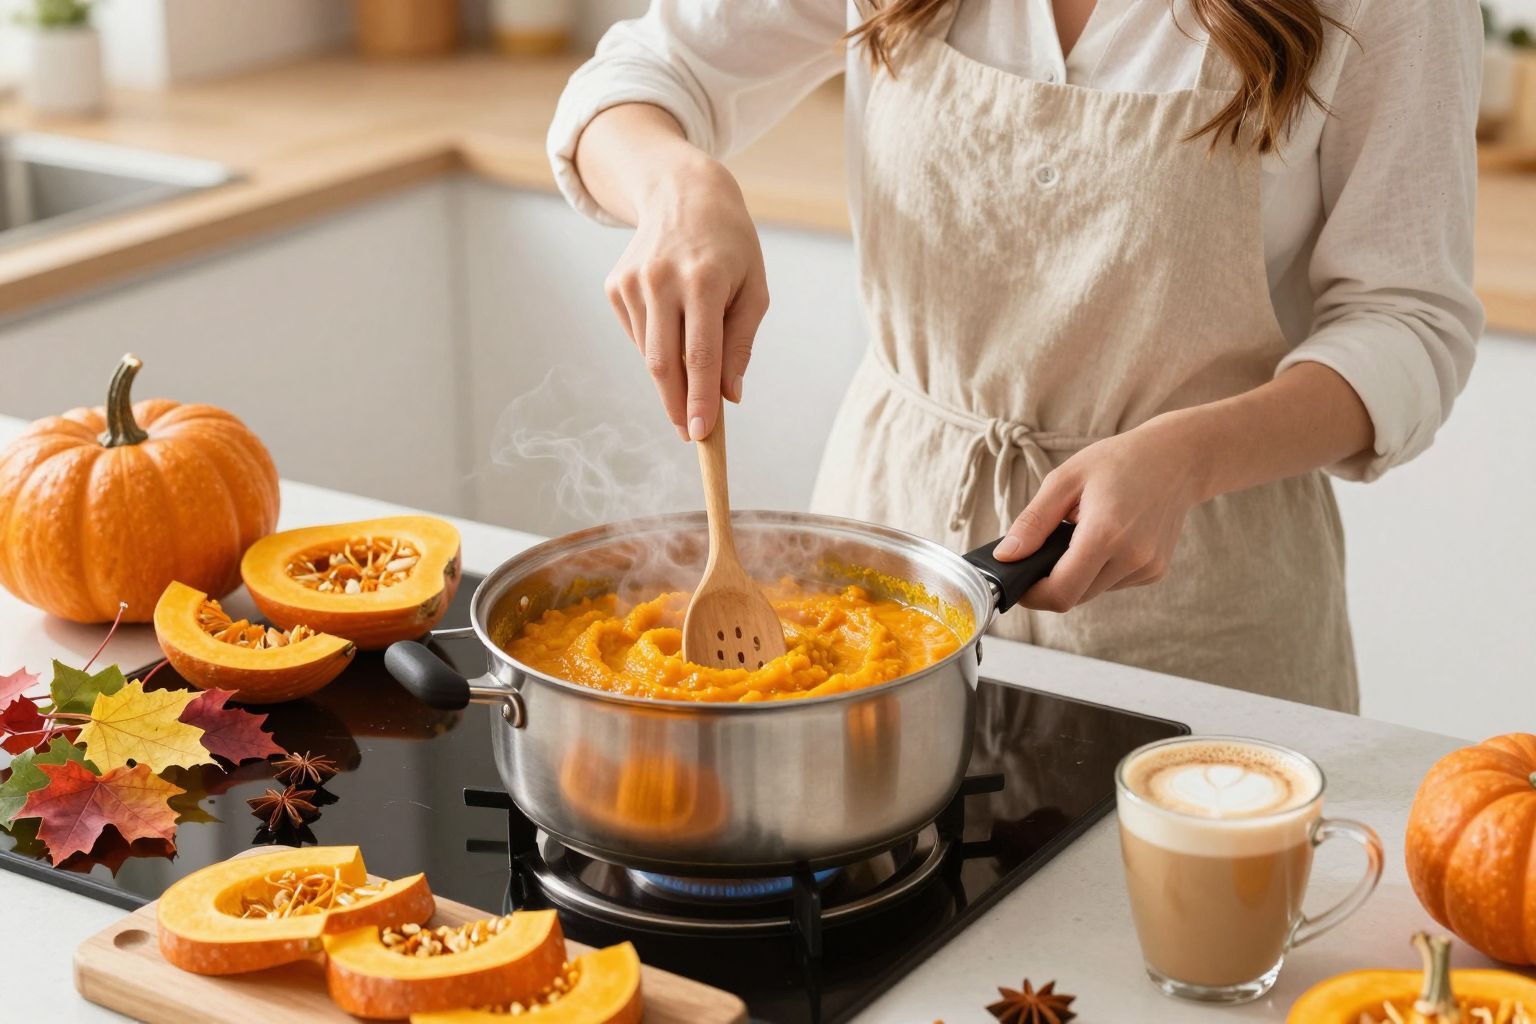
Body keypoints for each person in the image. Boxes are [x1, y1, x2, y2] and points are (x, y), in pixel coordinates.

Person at [546, 0, 1482, 711]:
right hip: (890, 557)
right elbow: (637, 79)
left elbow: (1410, 319)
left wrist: (1190, 456)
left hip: (1204, 595)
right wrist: (678, 183)